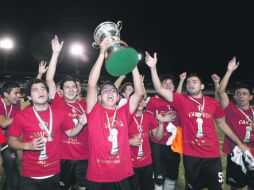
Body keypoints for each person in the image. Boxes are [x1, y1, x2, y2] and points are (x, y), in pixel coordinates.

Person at [145, 51, 249, 190]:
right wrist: (153, 67)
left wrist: (239, 144)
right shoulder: (181, 100)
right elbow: (159, 88)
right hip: (191, 156)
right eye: (188, 82)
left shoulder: (212, 103)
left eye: (194, 82)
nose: (190, 84)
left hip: (212, 156)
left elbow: (222, 124)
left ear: (202, 86)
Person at [7, 78, 87, 190]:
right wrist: (27, 146)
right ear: (29, 97)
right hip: (30, 174)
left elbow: (70, 133)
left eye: (43, 89)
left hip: (53, 173)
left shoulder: (60, 113)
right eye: (35, 90)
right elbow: (11, 141)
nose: (40, 92)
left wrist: (81, 124)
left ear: (48, 93)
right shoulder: (21, 116)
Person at [86, 37, 144, 190]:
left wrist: (132, 65)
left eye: (113, 90)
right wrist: (101, 55)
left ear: (118, 97)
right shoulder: (94, 111)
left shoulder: (124, 112)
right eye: (105, 91)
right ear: (99, 97)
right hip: (97, 175)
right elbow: (92, 84)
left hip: (121, 174)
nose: (110, 92)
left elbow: (138, 93)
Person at [46, 35, 89, 190]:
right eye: (67, 87)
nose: (71, 89)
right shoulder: (58, 103)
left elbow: (92, 86)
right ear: (61, 91)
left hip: (84, 155)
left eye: (73, 87)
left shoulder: (84, 104)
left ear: (77, 89)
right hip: (63, 156)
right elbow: (49, 79)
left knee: (83, 187)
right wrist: (56, 53)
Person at [217, 57, 254, 190]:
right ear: (234, 97)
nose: (241, 96)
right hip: (236, 153)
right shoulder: (230, 109)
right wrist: (229, 71)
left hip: (253, 153)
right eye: (238, 94)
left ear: (250, 97)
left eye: (244, 94)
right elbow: (220, 91)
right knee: (236, 187)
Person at [146, 73, 185, 190]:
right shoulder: (153, 101)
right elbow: (150, 124)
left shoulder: (177, 100)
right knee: (158, 177)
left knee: (172, 176)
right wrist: (161, 120)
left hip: (174, 144)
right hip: (158, 145)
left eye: (170, 83)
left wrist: (182, 80)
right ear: (160, 87)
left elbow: (177, 94)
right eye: (165, 83)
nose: (168, 85)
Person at [128, 97, 174, 190]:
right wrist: (129, 141)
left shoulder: (149, 116)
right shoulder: (125, 117)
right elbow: (116, 139)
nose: (140, 102)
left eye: (142, 100)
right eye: (138, 100)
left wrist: (161, 123)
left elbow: (158, 137)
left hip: (147, 163)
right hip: (130, 164)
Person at [0, 81, 21, 190]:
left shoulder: (16, 104)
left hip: (6, 141)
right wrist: (21, 116)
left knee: (13, 173)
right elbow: (3, 123)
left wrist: (39, 75)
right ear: (5, 94)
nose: (18, 96)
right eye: (15, 93)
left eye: (19, 93)